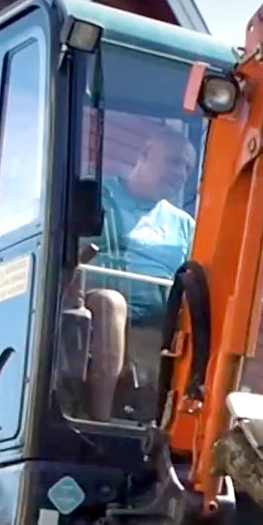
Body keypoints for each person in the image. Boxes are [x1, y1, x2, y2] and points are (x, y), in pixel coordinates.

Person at [82, 127, 199, 417]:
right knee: (112, 303)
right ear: (144, 154)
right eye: (173, 161)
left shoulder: (184, 224)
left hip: (161, 319)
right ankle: (102, 418)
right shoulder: (99, 197)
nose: (180, 172)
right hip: (95, 303)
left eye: (187, 167)